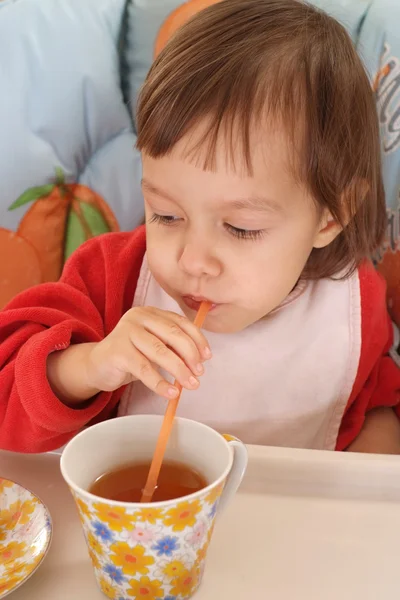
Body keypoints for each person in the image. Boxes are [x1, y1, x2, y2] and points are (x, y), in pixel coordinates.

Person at [1, 0, 400, 454]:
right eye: (167, 215)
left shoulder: (352, 306)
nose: (192, 260)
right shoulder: (112, 279)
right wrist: (89, 365)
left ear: (331, 215)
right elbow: (7, 399)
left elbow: (372, 406)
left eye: (241, 228)